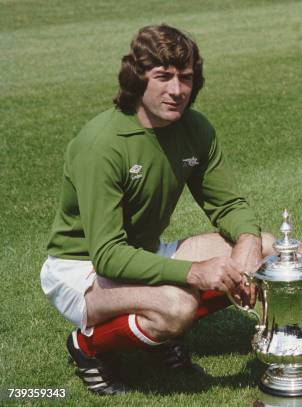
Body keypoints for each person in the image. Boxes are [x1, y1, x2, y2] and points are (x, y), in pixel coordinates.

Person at [40, 25, 273, 396]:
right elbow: (108, 256)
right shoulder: (102, 143)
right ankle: (87, 347)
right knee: (175, 307)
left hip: (141, 253)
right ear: (137, 79)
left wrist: (247, 242)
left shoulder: (195, 128)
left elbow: (228, 204)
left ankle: (160, 338)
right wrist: (194, 272)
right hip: (82, 270)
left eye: (186, 78)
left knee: (267, 247)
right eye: (163, 77)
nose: (177, 90)